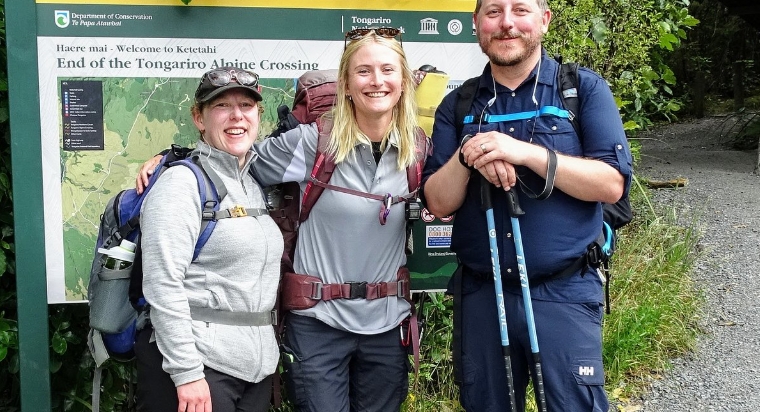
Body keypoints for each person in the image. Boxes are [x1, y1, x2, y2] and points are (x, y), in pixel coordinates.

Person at [137, 28, 422, 412]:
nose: (376, 81)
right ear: (346, 83)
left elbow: (238, 154)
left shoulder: (417, 148)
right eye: (364, 71)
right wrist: (171, 161)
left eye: (387, 69)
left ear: (404, 82)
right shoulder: (310, 143)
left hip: (379, 327)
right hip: (310, 326)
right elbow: (230, 152)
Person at [421, 0, 633, 411]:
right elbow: (438, 202)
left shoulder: (582, 89)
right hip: (483, 296)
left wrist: (522, 153)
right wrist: (470, 154)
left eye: (520, 10)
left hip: (564, 291)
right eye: (494, 12)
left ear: (544, 21)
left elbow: (611, 184)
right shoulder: (460, 105)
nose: (507, 24)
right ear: (477, 24)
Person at [136, 67, 283, 412]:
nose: (237, 116)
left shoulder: (252, 182)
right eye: (222, 106)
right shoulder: (180, 185)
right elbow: (162, 283)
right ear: (199, 118)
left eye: (247, 106)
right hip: (200, 366)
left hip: (255, 369)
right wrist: (187, 373)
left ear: (258, 116)